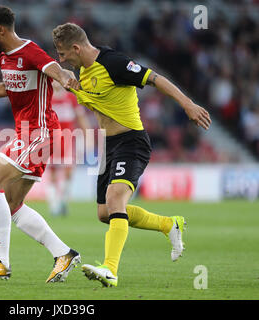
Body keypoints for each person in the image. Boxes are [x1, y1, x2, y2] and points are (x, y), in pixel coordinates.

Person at [52, 23, 211, 287]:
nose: (61, 59)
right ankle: (168, 224)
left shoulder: (114, 63)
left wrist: (187, 104)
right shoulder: (82, 70)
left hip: (131, 142)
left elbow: (155, 78)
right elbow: (97, 98)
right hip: (107, 146)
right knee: (105, 213)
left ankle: (110, 269)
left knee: (115, 198)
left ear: (76, 48)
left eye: (63, 53)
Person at [0, 6, 81, 283]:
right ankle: (63, 253)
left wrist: (66, 78)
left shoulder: (29, 51)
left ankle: (1, 261)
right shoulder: (4, 56)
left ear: (1, 30)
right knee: (11, 203)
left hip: (39, 131)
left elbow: (53, 68)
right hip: (28, 132)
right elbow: (8, 87)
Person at [46, 80, 90, 216]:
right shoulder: (46, 98)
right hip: (51, 141)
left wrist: (87, 135)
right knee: (52, 173)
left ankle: (63, 201)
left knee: (69, 172)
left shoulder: (71, 98)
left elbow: (81, 118)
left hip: (68, 141)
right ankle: (53, 204)